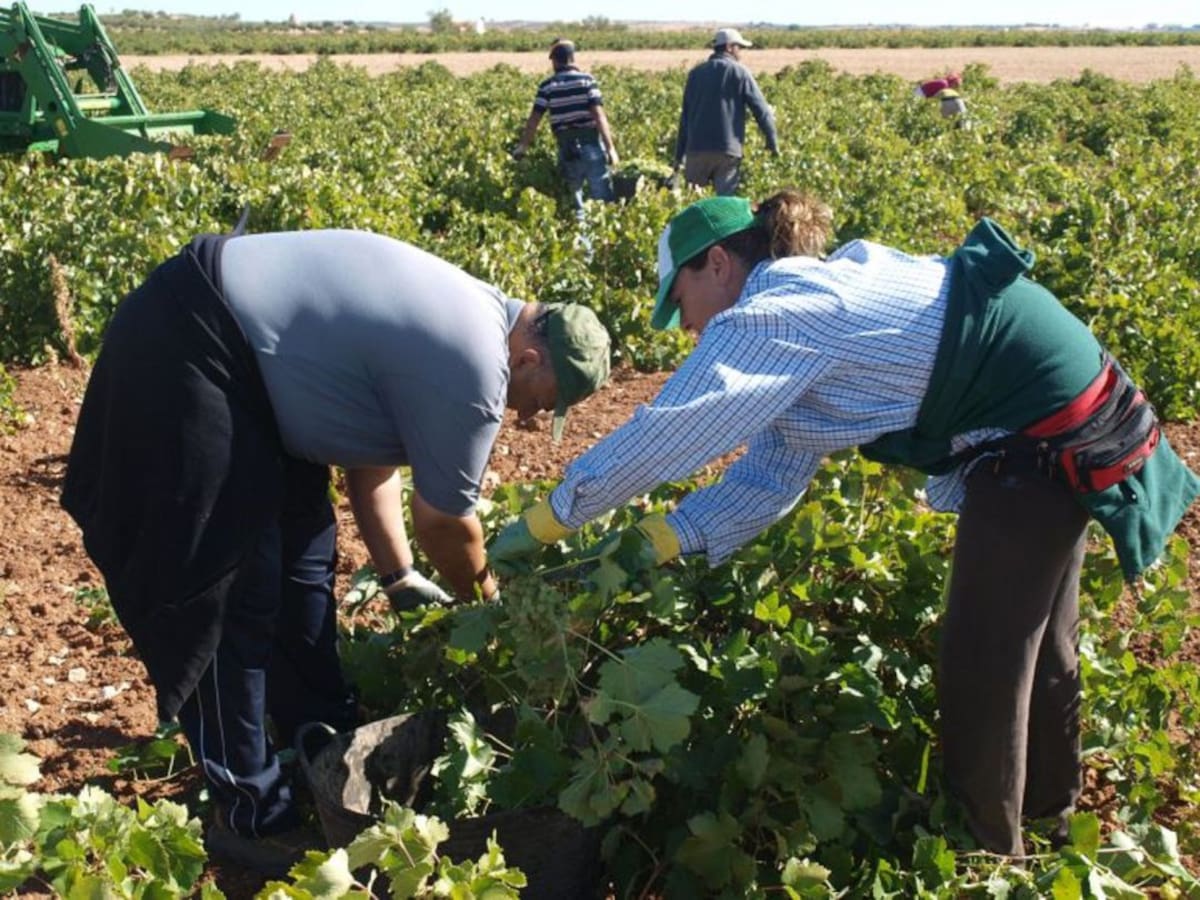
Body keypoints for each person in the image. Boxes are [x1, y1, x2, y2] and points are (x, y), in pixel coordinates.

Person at [489, 191, 1200, 856]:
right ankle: (1050, 818)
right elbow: (770, 476)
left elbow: (673, 432)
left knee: (985, 656)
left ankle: (986, 852)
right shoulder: (810, 310)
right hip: (1064, 410)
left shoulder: (780, 311)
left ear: (718, 263)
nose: (688, 326)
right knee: (1039, 637)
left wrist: (550, 519)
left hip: (1042, 430)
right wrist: (662, 539)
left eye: (681, 302)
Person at [60, 227, 611, 876]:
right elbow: (445, 523)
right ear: (528, 360)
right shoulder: (476, 364)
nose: (524, 419)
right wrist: (490, 608)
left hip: (255, 380)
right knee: (231, 590)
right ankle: (251, 811)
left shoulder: (471, 320)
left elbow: (368, 457)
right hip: (193, 342)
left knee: (305, 559)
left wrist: (399, 576)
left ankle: (317, 744)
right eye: (537, 403)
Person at [511, 38, 619, 219]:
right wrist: (611, 148)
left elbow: (534, 120)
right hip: (591, 145)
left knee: (576, 202)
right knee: (602, 197)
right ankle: (605, 234)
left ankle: (582, 234)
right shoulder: (587, 81)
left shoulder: (547, 86)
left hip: (567, 149)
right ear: (572, 58)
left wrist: (523, 146)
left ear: (554, 61)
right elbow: (599, 116)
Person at [672, 27, 779, 196]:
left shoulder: (695, 74)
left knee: (695, 203)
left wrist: (679, 156)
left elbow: (685, 118)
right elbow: (761, 111)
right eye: (739, 47)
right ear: (729, 47)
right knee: (725, 204)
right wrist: (773, 144)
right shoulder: (740, 72)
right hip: (727, 151)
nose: (740, 52)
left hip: (696, 151)